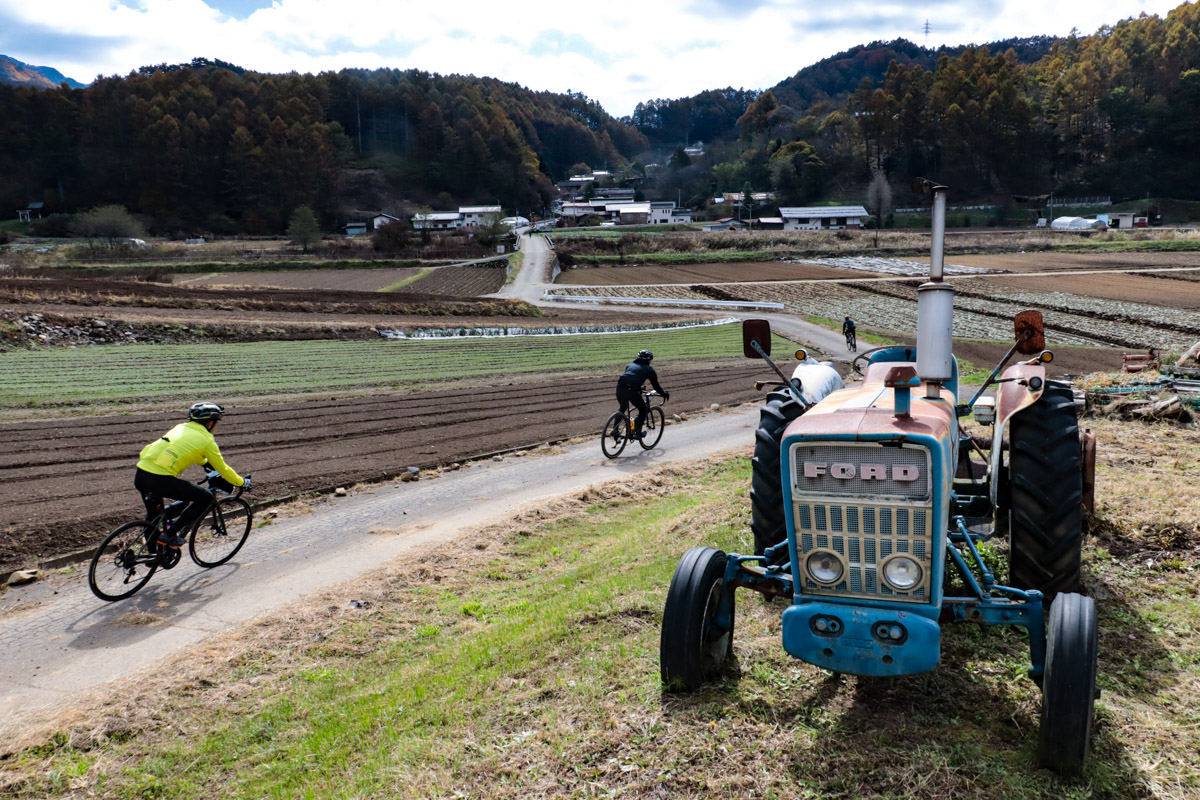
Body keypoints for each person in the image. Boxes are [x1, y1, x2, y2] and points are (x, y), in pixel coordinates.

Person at [135, 402, 249, 548]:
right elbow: (223, 469)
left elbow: (189, 450)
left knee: (154, 516)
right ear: (209, 423)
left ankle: (152, 557)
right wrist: (241, 482)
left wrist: (206, 464)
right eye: (216, 423)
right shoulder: (207, 440)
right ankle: (169, 535)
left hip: (141, 474)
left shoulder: (180, 427)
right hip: (160, 480)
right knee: (205, 497)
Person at [616, 350, 669, 438]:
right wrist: (663, 394)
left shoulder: (630, 365)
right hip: (631, 391)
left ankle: (615, 431)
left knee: (623, 407)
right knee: (643, 409)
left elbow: (631, 378)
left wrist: (639, 388)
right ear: (649, 360)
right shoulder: (649, 370)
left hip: (620, 388)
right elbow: (656, 386)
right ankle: (637, 432)